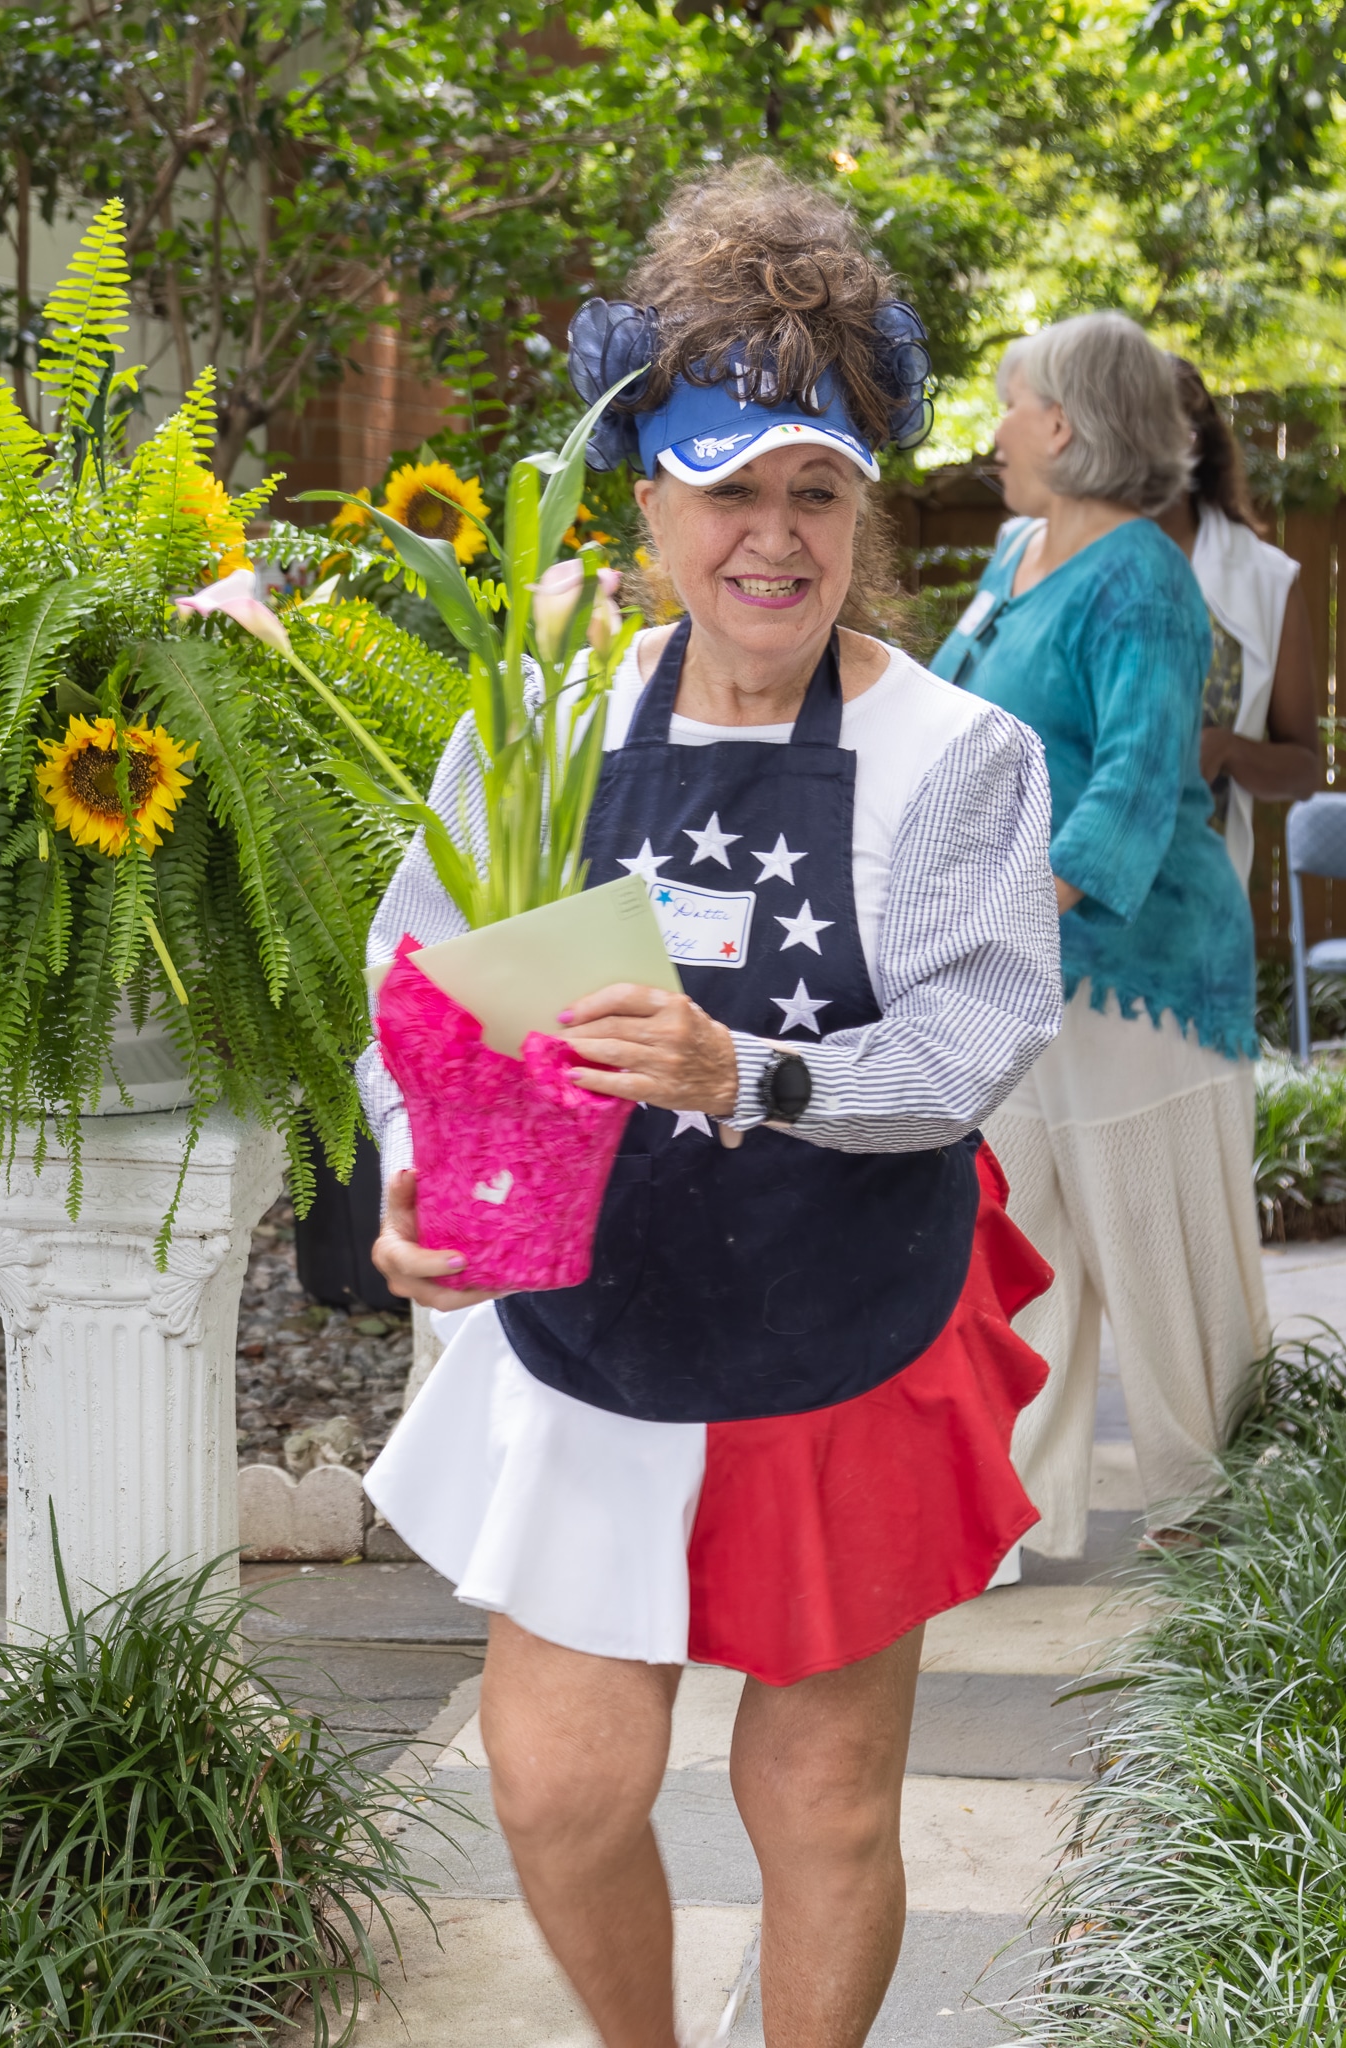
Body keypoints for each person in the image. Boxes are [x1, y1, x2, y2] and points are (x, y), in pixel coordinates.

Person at [358, 162, 1062, 2048]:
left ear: (864, 506)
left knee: (819, 1801)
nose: (771, 537)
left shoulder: (951, 756)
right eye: (728, 489)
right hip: (590, 1318)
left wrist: (741, 1066)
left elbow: (972, 1044)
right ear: (649, 498)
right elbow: (413, 970)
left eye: (813, 490)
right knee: (559, 1785)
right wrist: (413, 1166)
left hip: (838, 1329)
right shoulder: (540, 711)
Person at [932, 312, 1272, 1564]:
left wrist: (1002, 911)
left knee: (1159, 1236)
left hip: (1139, 970)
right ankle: (1004, 1514)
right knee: (1016, 1242)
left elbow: (1134, 780)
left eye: (1008, 403)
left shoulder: (1143, 573)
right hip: (1025, 966)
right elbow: (942, 704)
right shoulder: (1019, 548)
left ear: (1062, 425)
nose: (995, 429)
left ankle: (1223, 1526)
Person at [1158, 357, 1319, 887]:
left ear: (1190, 440)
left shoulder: (1267, 581)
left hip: (1201, 910)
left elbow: (1303, 769)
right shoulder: (1064, 561)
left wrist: (1226, 749)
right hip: (1063, 913)